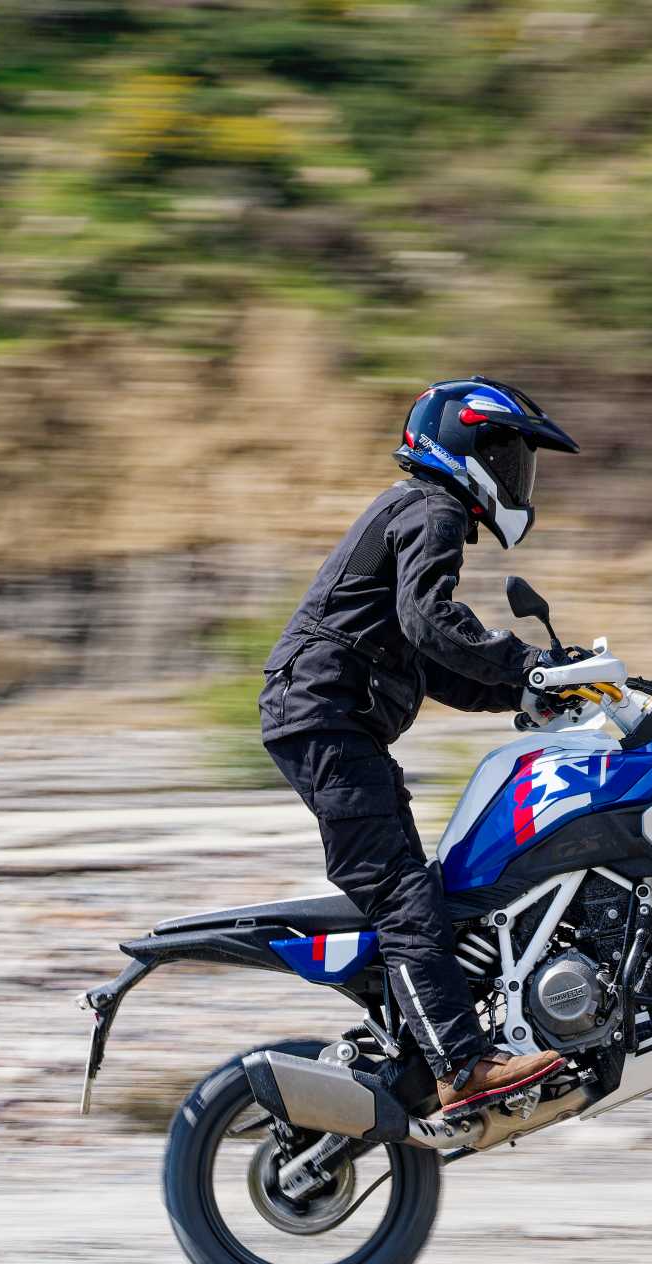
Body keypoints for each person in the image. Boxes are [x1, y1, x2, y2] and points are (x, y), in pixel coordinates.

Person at [260, 378, 581, 1115]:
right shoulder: (431, 509)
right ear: (464, 443)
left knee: (420, 886)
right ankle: (461, 1067)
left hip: (330, 719)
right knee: (401, 891)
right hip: (323, 720)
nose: (516, 475)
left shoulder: (414, 510)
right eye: (508, 455)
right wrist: (528, 663)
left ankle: (427, 1041)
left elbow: (429, 659)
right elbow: (431, 620)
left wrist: (525, 692)